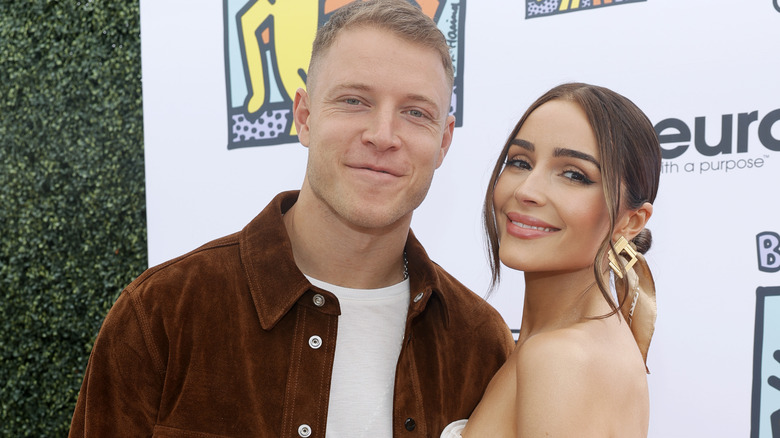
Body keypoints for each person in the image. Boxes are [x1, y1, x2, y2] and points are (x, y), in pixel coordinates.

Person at [68, 1, 514, 437]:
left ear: (443, 142)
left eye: (416, 112)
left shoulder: (479, 343)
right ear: (303, 116)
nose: (383, 136)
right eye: (355, 100)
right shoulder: (162, 312)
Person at [441, 82, 661, 437]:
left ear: (630, 222)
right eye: (520, 162)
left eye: (574, 174)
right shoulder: (584, 344)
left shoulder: (562, 359)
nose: (526, 191)